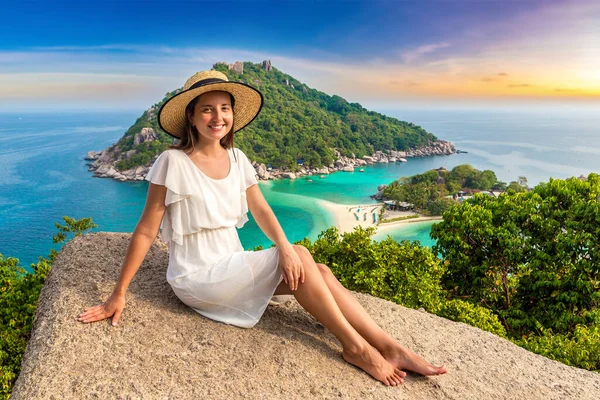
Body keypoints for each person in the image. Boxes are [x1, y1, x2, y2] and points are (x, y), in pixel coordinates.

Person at [78, 70, 447, 386]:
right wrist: (119, 292)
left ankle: (390, 346)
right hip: (197, 276)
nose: (217, 117)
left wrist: (284, 247)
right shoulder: (171, 162)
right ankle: (357, 348)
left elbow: (261, 207)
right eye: (207, 109)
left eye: (224, 109)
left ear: (233, 115)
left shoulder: (237, 158)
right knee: (303, 257)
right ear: (191, 117)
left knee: (317, 270)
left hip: (231, 263)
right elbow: (145, 230)